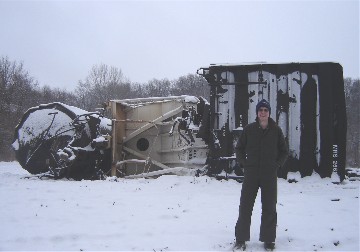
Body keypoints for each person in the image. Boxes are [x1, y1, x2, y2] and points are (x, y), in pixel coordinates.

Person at [234, 99, 288, 251]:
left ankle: (269, 240)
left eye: (265, 110)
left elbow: (284, 151)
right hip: (251, 173)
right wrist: (244, 163)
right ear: (257, 113)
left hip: (269, 174)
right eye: (260, 110)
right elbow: (239, 148)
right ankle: (240, 239)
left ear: (269, 113)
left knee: (269, 206)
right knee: (245, 206)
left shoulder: (276, 131)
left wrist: (276, 165)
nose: (263, 113)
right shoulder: (249, 129)